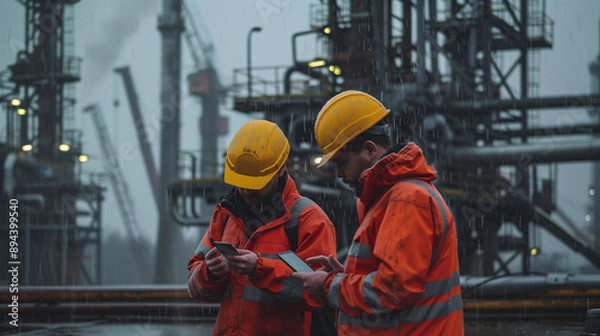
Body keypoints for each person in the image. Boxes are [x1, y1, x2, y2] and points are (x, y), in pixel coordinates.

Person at [293, 90, 464, 335]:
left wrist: (331, 286)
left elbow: (392, 290)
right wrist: (345, 276)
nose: (339, 174)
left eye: (342, 162)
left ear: (370, 150)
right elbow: (392, 280)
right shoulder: (386, 197)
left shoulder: (407, 200)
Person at [187, 120, 337, 336]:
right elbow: (194, 286)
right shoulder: (226, 215)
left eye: (255, 182)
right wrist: (209, 273)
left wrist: (259, 268)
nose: (246, 190)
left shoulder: (309, 220)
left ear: (280, 170)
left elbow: (318, 293)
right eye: (241, 181)